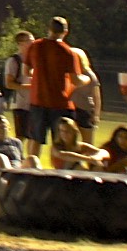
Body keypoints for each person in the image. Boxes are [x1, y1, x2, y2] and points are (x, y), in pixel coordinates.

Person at [24, 15, 87, 167]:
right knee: (61, 141)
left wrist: (40, 76)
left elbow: (27, 71)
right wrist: (87, 78)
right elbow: (75, 80)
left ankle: (32, 170)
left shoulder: (35, 46)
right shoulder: (67, 52)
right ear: (65, 32)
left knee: (36, 140)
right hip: (60, 102)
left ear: (49, 28)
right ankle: (61, 170)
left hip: (38, 100)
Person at [2, 29, 34, 145]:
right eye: (30, 41)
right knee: (21, 136)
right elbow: (9, 83)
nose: (33, 43)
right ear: (20, 43)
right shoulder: (14, 61)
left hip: (34, 104)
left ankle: (30, 161)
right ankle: (15, 157)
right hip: (20, 104)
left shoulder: (35, 60)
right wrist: (30, 87)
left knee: (34, 137)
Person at [69, 46, 102, 144]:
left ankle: (90, 158)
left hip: (85, 109)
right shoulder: (68, 72)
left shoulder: (89, 74)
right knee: (70, 140)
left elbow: (97, 96)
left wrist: (96, 115)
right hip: (70, 109)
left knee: (87, 142)